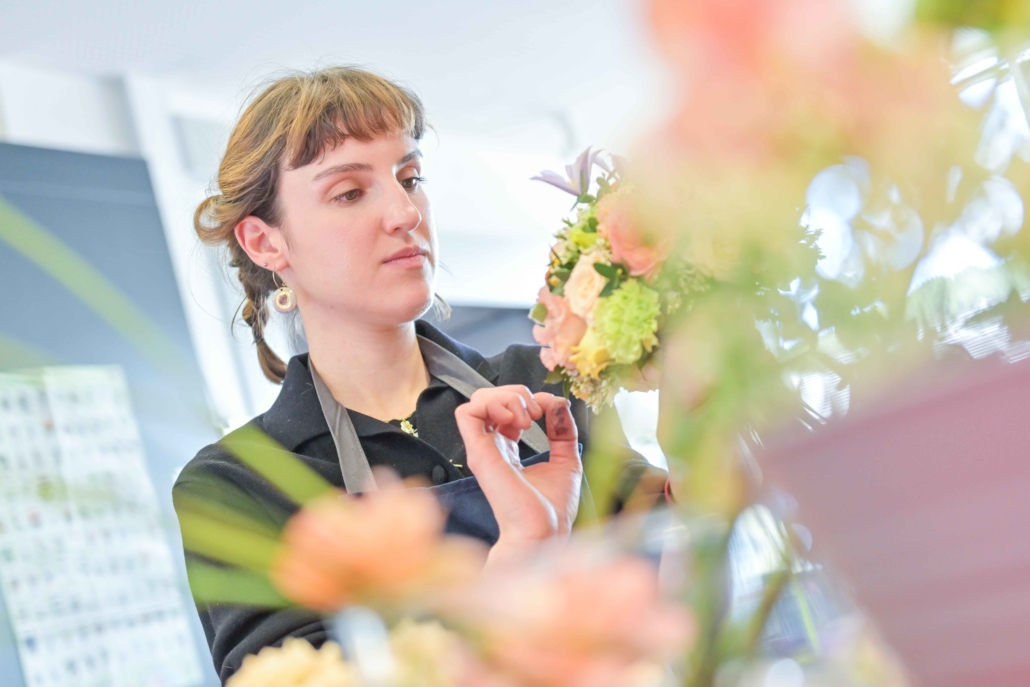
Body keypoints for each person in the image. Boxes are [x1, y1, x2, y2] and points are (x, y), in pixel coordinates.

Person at [172, 66, 628, 684]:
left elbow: (674, 578)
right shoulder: (239, 483)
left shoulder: (545, 382)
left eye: (410, 179)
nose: (405, 212)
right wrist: (519, 556)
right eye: (349, 193)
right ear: (265, 243)